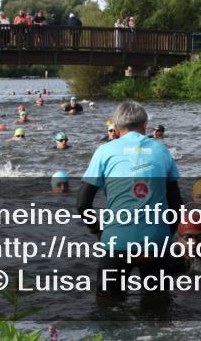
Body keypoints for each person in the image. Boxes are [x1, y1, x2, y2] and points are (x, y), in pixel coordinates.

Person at [77, 100, 182, 300]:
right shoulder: (162, 151)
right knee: (158, 309)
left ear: (116, 128)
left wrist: (99, 230)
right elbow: (176, 206)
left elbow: (83, 204)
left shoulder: (104, 151)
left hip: (117, 240)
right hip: (156, 241)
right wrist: (161, 237)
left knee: (109, 310)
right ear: (145, 126)